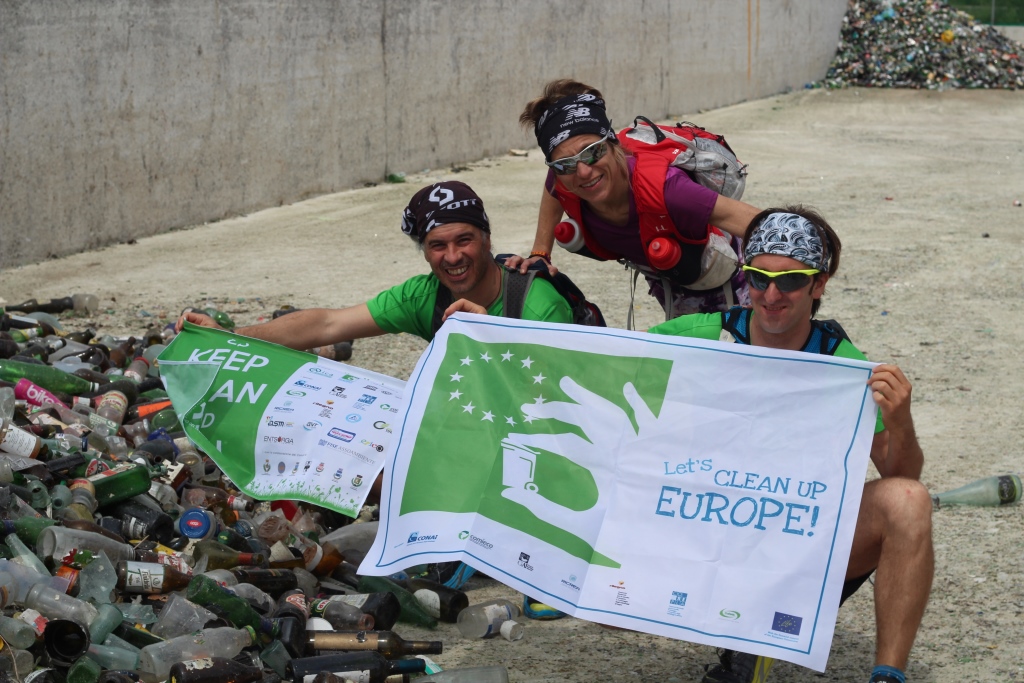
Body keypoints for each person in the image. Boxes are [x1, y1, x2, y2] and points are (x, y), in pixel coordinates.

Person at [648, 207, 932, 683]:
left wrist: (900, 421)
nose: (772, 295)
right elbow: (602, 368)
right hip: (705, 529)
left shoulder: (841, 362)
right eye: (758, 278)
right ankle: (746, 634)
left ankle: (887, 675)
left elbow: (901, 476)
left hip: (795, 545)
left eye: (792, 281)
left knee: (908, 502)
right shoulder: (707, 335)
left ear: (818, 285)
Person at [177, 180, 572, 344]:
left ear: (487, 238)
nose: (452, 257)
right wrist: (229, 335)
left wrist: (491, 336)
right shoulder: (425, 296)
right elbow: (328, 323)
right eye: (437, 245)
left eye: (464, 240)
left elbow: (561, 402)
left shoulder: (539, 307)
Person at [507, 79, 763, 319]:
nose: (583, 172)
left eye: (593, 152)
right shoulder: (565, 180)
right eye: (565, 164)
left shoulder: (668, 189)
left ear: (613, 144)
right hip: (667, 277)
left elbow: (760, 224)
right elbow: (553, 186)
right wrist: (540, 253)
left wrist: (779, 282)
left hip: (727, 275)